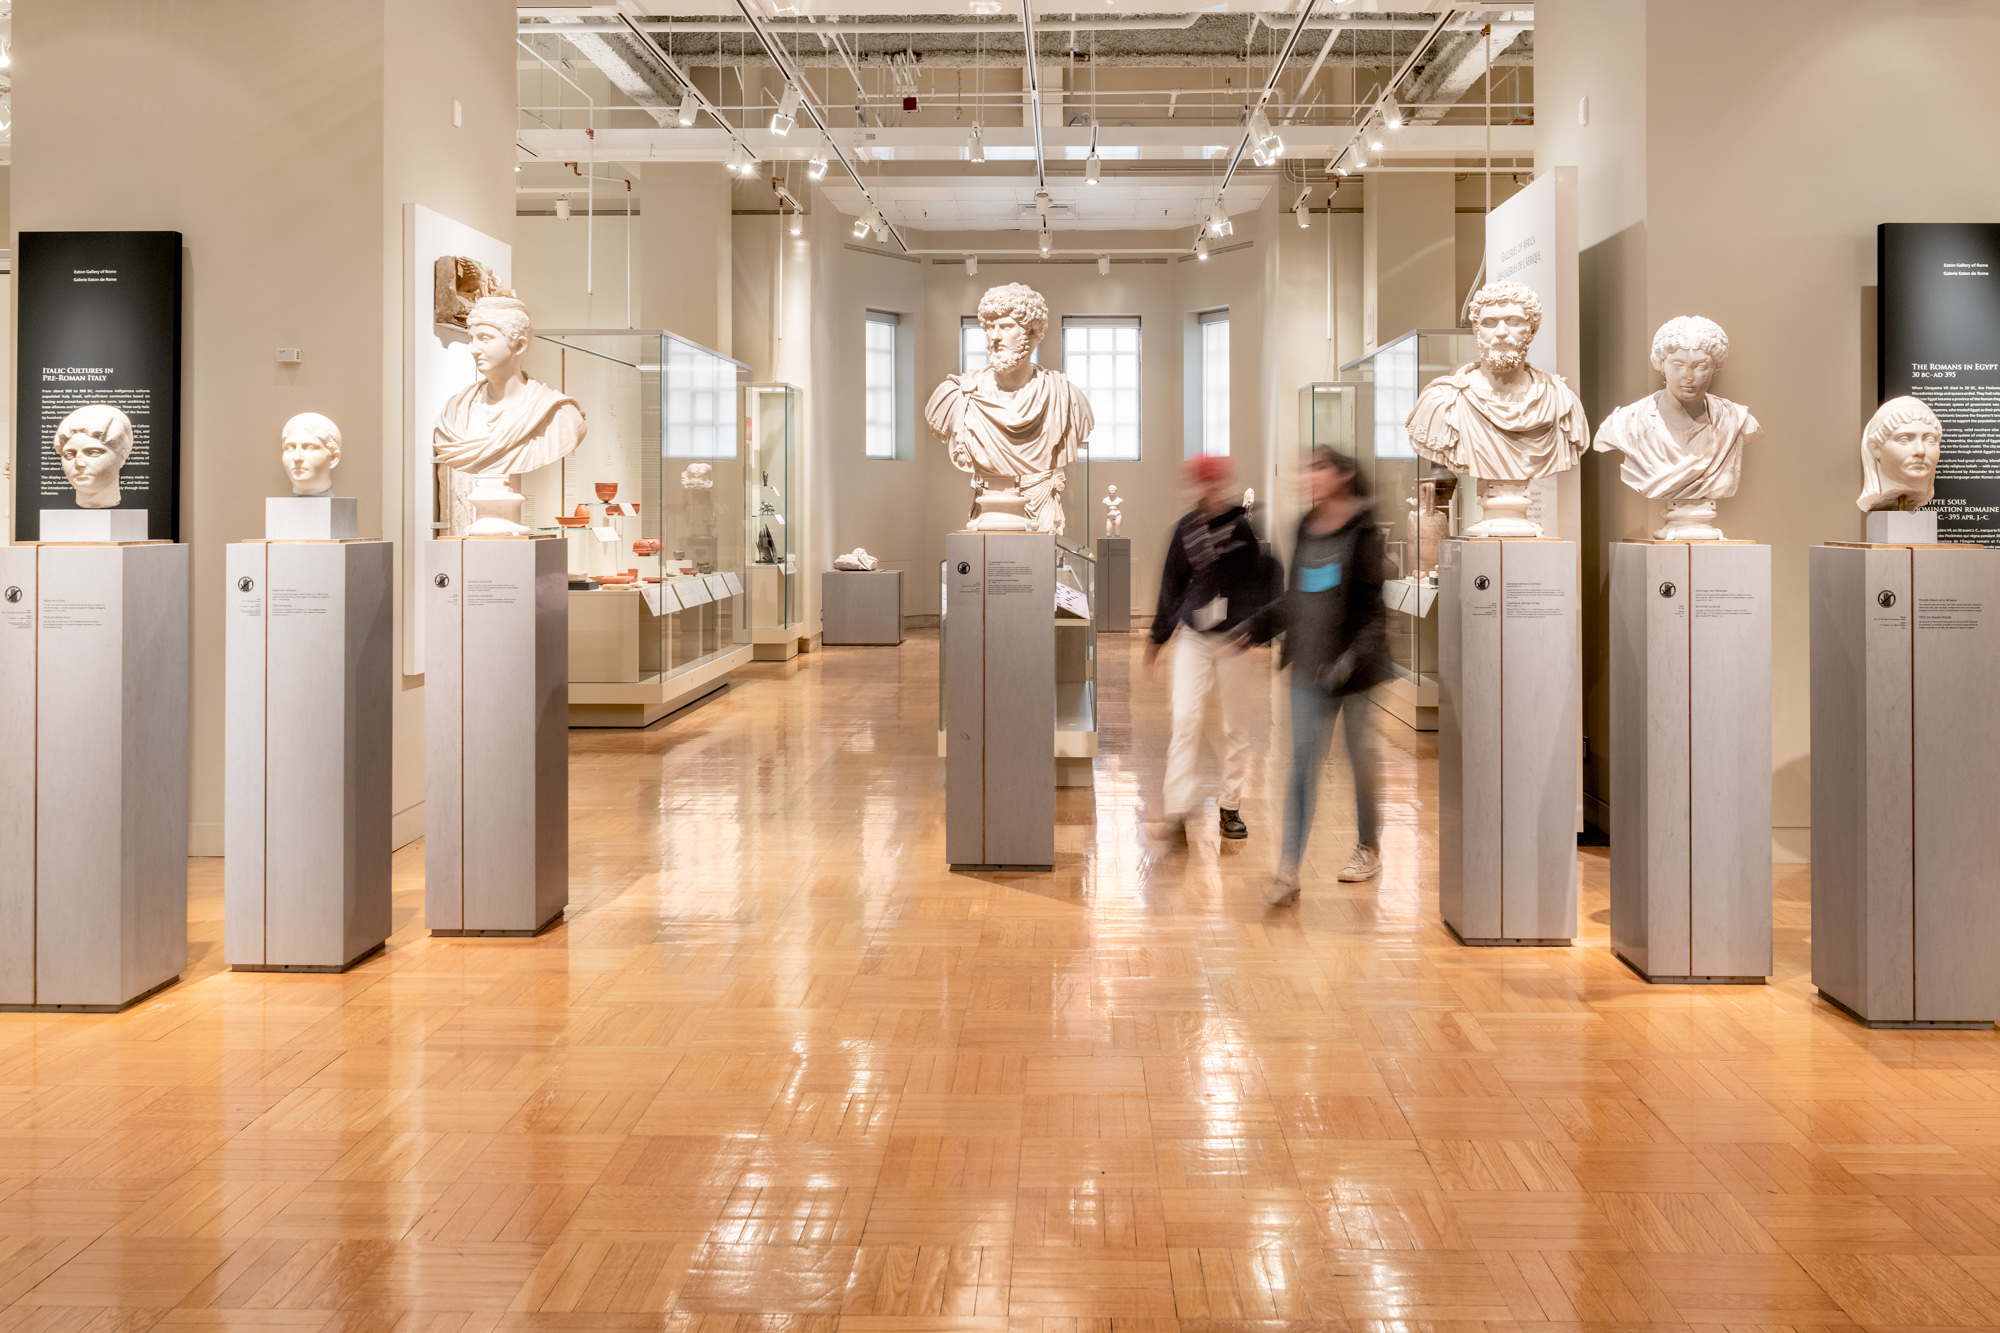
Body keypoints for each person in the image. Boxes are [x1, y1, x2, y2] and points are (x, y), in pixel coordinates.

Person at [1239, 448, 1388, 906]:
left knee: (1359, 760)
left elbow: (1372, 613)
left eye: (1318, 468)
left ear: (1342, 476)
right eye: (1306, 469)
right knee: (1301, 766)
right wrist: (1254, 627)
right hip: (1307, 669)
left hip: (1354, 674)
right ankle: (1289, 869)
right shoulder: (1304, 526)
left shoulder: (1364, 532)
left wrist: (1347, 661)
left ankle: (1368, 846)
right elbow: (1295, 598)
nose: (1308, 477)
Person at [1147, 454, 1264, 842]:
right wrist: (1157, 639)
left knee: (1235, 724)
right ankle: (1178, 808)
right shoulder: (1184, 531)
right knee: (1185, 718)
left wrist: (1255, 632)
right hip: (1194, 638)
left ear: (1223, 483)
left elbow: (1256, 581)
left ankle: (1230, 806)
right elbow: (1171, 587)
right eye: (1202, 482)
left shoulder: (1240, 528)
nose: (1208, 488)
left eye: (1214, 481)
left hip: (1234, 638)